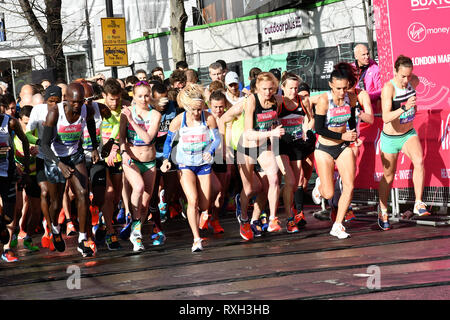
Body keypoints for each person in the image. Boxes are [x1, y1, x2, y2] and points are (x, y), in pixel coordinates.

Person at [40, 82, 100, 257]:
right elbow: (44, 144)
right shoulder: (55, 113)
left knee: (82, 193)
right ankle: (55, 228)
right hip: (54, 157)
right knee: (56, 201)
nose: (77, 106)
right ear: (66, 99)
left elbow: (90, 125)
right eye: (73, 102)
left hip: (75, 154)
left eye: (80, 102)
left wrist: (94, 147)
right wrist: (59, 164)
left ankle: (82, 240)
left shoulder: (86, 110)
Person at [161, 83, 221, 252]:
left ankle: (204, 214)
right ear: (186, 107)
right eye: (193, 110)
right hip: (185, 164)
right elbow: (168, 142)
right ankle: (196, 239)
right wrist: (166, 160)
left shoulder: (208, 118)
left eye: (199, 109)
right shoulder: (178, 121)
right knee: (192, 200)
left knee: (204, 203)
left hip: (203, 164)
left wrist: (210, 150)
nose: (196, 113)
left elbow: (216, 139)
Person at [377, 55, 430, 231]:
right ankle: (383, 210)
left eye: (409, 76)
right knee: (389, 177)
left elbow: (421, 84)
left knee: (419, 161)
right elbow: (385, 117)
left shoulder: (413, 81)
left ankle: (418, 202)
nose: (406, 80)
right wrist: (404, 107)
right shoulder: (388, 89)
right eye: (402, 76)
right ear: (395, 72)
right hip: (391, 138)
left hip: (408, 133)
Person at [311, 63, 358, 239]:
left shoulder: (351, 98)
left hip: (342, 147)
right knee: (329, 193)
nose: (342, 92)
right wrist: (343, 137)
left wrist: (354, 135)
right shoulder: (324, 100)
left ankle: (337, 225)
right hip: (324, 148)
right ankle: (319, 187)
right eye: (338, 88)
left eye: (345, 88)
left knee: (349, 186)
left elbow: (351, 120)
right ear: (331, 85)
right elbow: (319, 129)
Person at [239, 72, 285, 237]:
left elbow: (274, 122)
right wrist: (271, 133)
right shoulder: (251, 100)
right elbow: (249, 133)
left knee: (273, 180)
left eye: (271, 89)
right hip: (248, 147)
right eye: (264, 89)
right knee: (250, 189)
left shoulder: (276, 101)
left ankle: (272, 218)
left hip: (264, 145)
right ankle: (244, 219)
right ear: (257, 88)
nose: (268, 92)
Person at [119, 81, 161, 252]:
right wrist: (123, 153)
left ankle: (136, 231)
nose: (144, 99)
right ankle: (133, 220)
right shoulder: (126, 113)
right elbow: (121, 138)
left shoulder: (155, 115)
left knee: (145, 203)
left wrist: (132, 120)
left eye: (147, 95)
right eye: (140, 96)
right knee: (139, 187)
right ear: (133, 97)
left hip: (150, 162)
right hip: (132, 160)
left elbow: (147, 139)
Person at [275, 72, 315, 233]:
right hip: (282, 144)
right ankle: (288, 216)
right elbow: (270, 118)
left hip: (297, 144)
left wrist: (306, 127)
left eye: (296, 88)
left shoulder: (303, 100)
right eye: (290, 88)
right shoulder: (279, 102)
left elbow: (311, 118)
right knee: (288, 181)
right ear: (282, 88)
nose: (293, 91)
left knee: (297, 182)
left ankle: (297, 212)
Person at [25, 85, 64, 251]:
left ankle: (54, 225)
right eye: (50, 101)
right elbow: (27, 133)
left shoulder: (65, 109)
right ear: (45, 99)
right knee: (45, 192)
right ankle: (50, 228)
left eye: (57, 101)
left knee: (58, 200)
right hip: (43, 156)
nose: (54, 105)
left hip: (60, 158)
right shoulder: (38, 110)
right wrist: (37, 142)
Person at [0, 96, 31, 262]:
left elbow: (24, 141)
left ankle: (2, 226)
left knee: (9, 216)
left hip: (8, 173)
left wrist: (25, 168)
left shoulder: (10, 122)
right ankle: (5, 250)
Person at [352, 44, 382, 114]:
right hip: (356, 110)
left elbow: (380, 90)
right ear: (356, 56)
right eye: (363, 55)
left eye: (367, 54)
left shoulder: (375, 68)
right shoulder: (351, 69)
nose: (367, 57)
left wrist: (366, 98)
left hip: (372, 110)